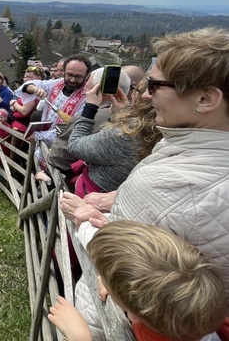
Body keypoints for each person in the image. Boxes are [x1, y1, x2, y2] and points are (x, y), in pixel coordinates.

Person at [60, 27, 229, 334]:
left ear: (205, 98)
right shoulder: (194, 154)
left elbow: (116, 258)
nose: (146, 94)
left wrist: (85, 220)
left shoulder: (168, 182)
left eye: (154, 85)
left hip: (115, 323)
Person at [48, 220, 227, 341]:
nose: (101, 279)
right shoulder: (202, 311)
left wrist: (81, 338)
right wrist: (119, 289)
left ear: (134, 314)